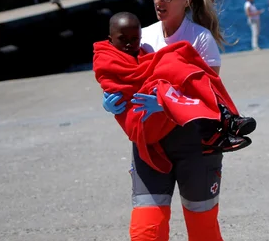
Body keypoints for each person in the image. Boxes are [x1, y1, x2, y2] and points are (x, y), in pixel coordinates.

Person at [101, 0, 234, 241]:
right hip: (150, 146)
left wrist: (168, 101)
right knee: (145, 234)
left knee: (203, 228)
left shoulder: (200, 40)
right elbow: (123, 81)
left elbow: (211, 96)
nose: (158, 0)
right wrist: (113, 101)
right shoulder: (141, 37)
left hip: (196, 146)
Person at [100, 11, 255, 154]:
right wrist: (107, 102)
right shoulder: (106, 58)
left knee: (176, 57)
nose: (129, 44)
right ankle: (214, 129)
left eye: (134, 39)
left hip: (154, 111)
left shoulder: (142, 50)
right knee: (171, 62)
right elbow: (118, 83)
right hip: (141, 119)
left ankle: (223, 117)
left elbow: (146, 73)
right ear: (110, 39)